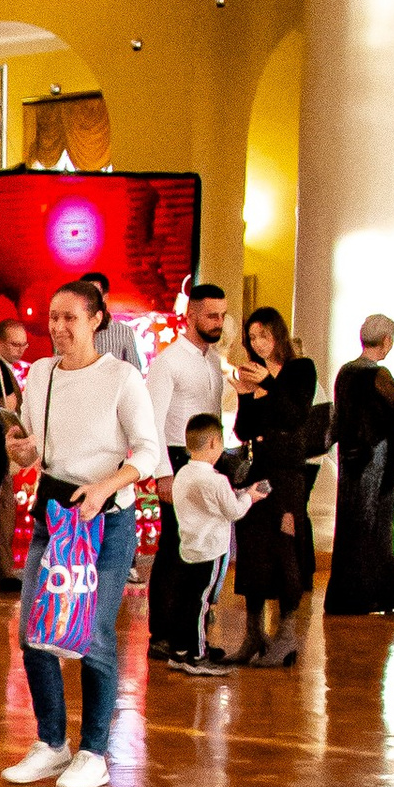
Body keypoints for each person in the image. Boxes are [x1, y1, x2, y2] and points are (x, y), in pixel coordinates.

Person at [5, 278, 163, 787]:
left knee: (91, 631)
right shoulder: (42, 374)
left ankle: (94, 749)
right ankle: (52, 742)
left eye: (70, 318)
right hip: (55, 512)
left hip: (107, 514)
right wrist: (21, 448)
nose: (58, 328)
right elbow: (34, 448)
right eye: (53, 317)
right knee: (37, 629)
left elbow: (147, 453)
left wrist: (103, 487)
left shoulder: (122, 378)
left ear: (97, 320)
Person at [144, 282, 235, 667]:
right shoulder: (169, 361)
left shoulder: (214, 361)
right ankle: (162, 634)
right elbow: (152, 419)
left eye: (222, 315)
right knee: (174, 549)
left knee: (200, 549)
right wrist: (163, 473)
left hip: (205, 460)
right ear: (192, 315)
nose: (219, 322)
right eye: (212, 315)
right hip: (178, 459)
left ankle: (188, 633)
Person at [228, 306, 320, 668]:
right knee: (252, 548)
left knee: (286, 547)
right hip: (259, 469)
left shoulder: (300, 369)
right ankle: (253, 633)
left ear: (278, 334)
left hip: (287, 473)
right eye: (252, 337)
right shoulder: (257, 374)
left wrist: (267, 382)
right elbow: (244, 431)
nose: (258, 343)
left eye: (263, 335)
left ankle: (286, 632)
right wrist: (245, 394)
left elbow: (296, 413)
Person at [326, 314, 394, 616]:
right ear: (386, 341)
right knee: (376, 527)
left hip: (351, 459)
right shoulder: (377, 374)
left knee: (352, 526)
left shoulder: (345, 372)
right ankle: (375, 595)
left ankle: (354, 594)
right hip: (376, 463)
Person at [166, 414, 264, 672]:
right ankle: (198, 656)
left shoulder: (183, 474)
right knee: (202, 602)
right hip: (211, 550)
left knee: (186, 599)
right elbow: (233, 511)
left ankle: (179, 650)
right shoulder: (216, 480)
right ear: (212, 443)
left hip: (188, 547)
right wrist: (250, 497)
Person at [0, 313, 31, 591]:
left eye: (23, 346)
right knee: (2, 511)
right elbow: (8, 407)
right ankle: (0, 571)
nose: (20, 351)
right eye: (15, 345)